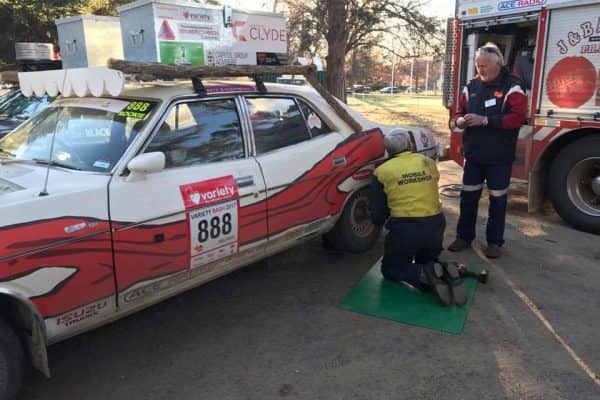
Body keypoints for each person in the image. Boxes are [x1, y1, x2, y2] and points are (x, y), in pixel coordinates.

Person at [448, 42, 527, 259]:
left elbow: (517, 118)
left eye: (484, 65)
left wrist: (485, 121)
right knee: (468, 198)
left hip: (499, 157)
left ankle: (494, 242)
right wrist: (460, 121)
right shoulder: (471, 87)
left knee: (498, 201)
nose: (479, 69)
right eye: (477, 65)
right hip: (474, 155)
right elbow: (457, 114)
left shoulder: (513, 86)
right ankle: (464, 237)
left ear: (498, 64)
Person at [369, 130, 466, 306]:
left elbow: (378, 215)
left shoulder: (381, 172)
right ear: (409, 144)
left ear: (388, 150)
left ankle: (422, 274)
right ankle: (439, 268)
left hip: (406, 228)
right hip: (436, 226)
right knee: (427, 258)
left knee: (391, 269)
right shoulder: (428, 162)